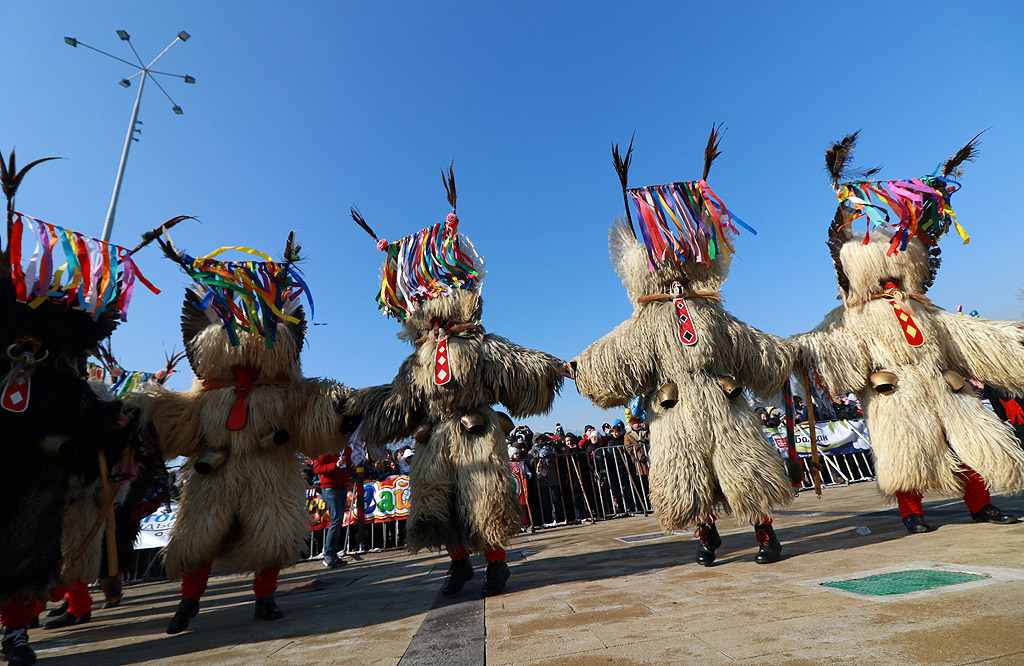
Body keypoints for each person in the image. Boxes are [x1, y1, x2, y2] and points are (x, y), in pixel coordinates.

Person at [572, 130, 795, 566]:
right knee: (685, 477)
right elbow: (615, 353)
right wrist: (577, 367)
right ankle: (705, 535)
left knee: (745, 467)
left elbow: (749, 342)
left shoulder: (712, 312)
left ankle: (766, 534)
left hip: (722, 403)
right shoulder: (646, 320)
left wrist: (789, 351)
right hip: (674, 412)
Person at [349, 170, 568, 598]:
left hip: (476, 432)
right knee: (436, 503)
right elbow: (398, 398)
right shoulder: (416, 358)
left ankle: (496, 564)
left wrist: (551, 366)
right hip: (434, 437)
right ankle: (458, 565)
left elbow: (514, 360)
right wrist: (358, 403)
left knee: (483, 500)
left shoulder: (478, 343)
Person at [130, 235, 360, 634]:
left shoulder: (289, 389)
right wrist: (145, 410)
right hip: (214, 475)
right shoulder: (206, 392)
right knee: (198, 540)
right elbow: (181, 423)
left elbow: (314, 417)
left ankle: (265, 598)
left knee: (273, 537)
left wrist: (341, 407)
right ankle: (188, 602)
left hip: (269, 473)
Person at [797, 133, 1024, 535]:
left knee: (969, 443)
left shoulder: (922, 306)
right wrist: (784, 352)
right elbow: (820, 343)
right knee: (905, 454)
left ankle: (981, 505)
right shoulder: (847, 315)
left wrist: (1010, 334)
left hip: (940, 383)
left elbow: (967, 332)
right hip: (895, 392)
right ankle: (911, 514)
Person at [313, 447, 353, 568]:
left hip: (341, 487)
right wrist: (335, 465)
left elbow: (348, 466)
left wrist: (352, 469)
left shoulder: (347, 449)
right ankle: (328, 554)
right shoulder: (327, 447)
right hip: (329, 488)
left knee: (338, 519)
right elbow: (317, 468)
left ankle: (333, 554)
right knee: (336, 519)